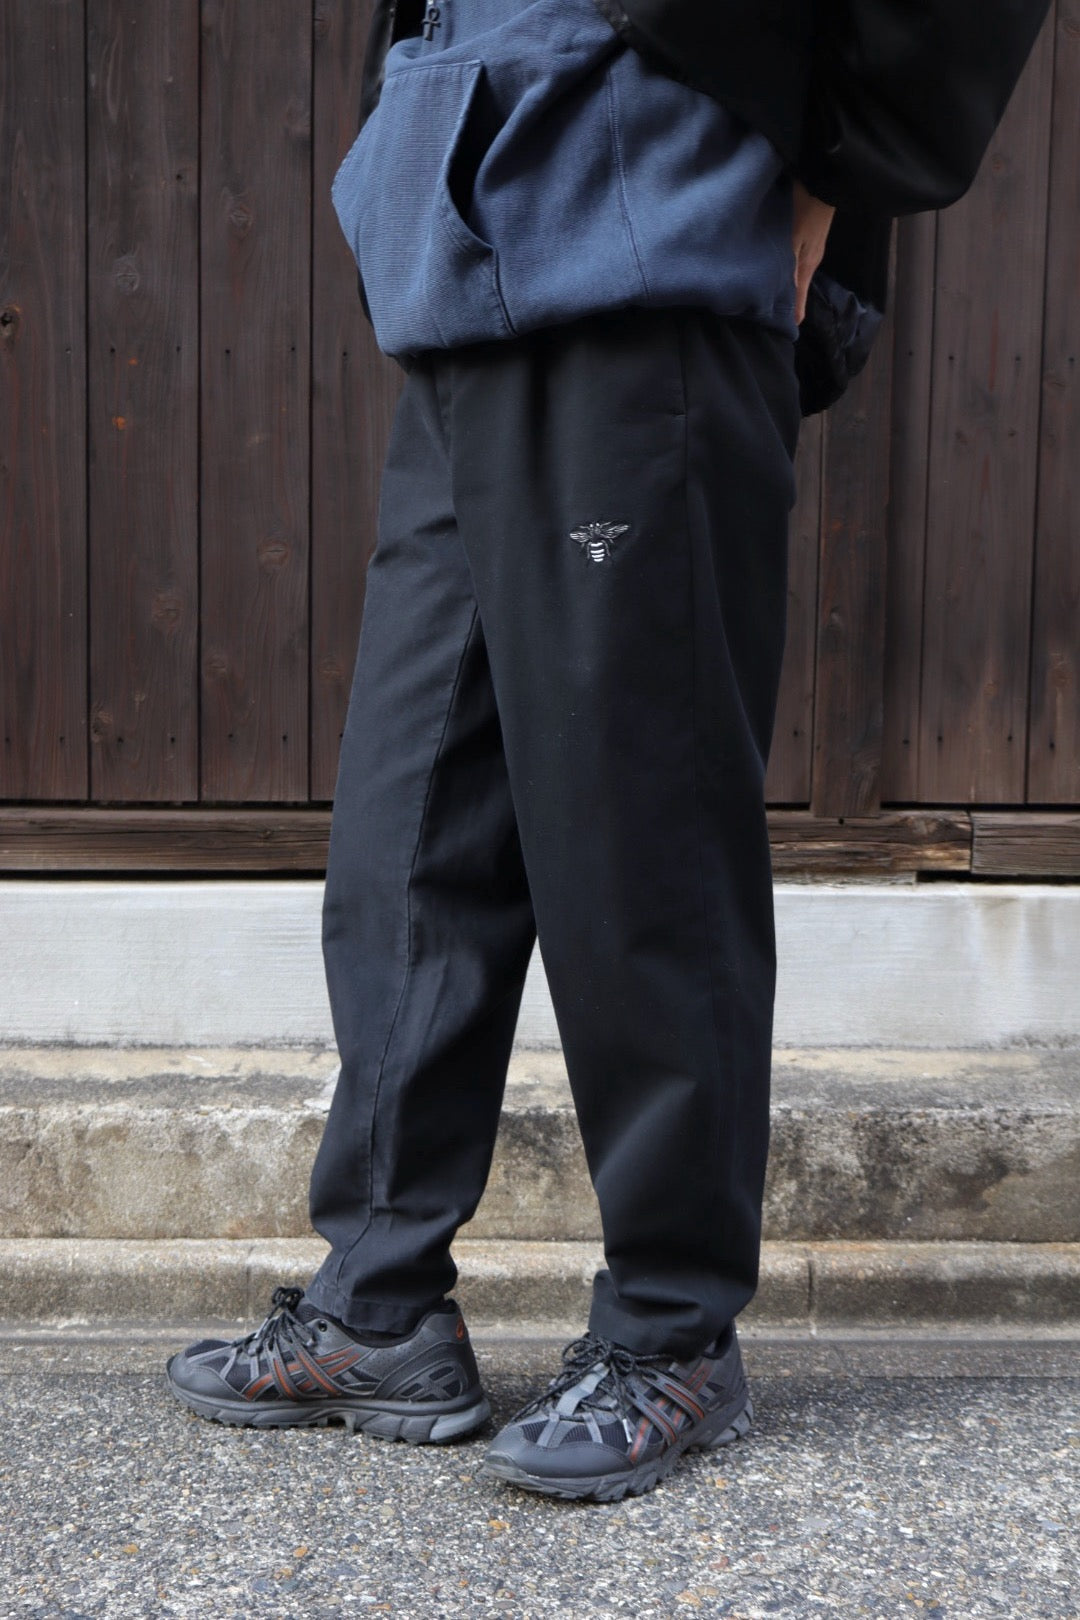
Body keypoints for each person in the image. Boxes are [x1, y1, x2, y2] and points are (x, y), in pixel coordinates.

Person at [166, 0, 1050, 1501]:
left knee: (639, 825)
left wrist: (836, 162)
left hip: (648, 198)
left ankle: (672, 1326)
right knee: (411, 823)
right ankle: (380, 1298)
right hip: (468, 223)